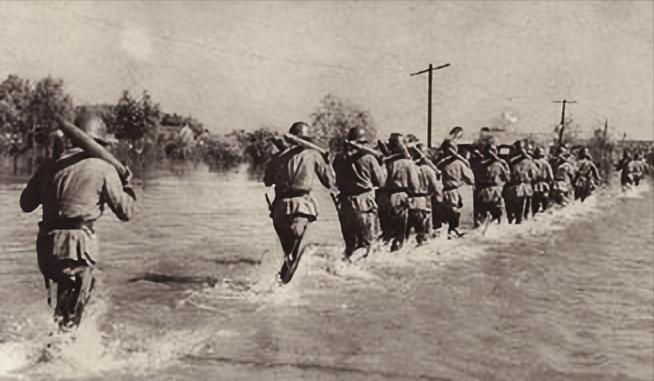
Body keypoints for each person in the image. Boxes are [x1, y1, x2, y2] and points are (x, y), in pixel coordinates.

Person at [20, 111, 135, 331]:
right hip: (77, 251)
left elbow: (26, 204)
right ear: (101, 142)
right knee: (70, 323)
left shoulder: (49, 166)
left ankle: (57, 343)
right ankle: (60, 355)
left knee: (70, 308)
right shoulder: (103, 168)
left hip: (47, 252)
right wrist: (128, 185)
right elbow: (126, 212)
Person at [263, 121, 337, 283]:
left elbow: (267, 181)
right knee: (296, 255)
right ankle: (278, 289)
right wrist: (327, 162)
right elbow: (330, 183)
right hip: (301, 209)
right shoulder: (313, 155)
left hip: (280, 210)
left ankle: (276, 286)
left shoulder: (278, 157)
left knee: (288, 254)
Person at [332, 127, 386, 260]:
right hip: (364, 203)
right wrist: (382, 164)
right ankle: (349, 264)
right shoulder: (368, 158)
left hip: (344, 204)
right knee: (366, 245)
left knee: (350, 245)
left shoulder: (339, 159)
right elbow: (381, 182)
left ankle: (344, 265)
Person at [376, 133, 420, 251]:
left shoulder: (384, 162)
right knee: (400, 235)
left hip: (383, 199)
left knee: (386, 234)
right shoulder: (407, 163)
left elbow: (379, 181)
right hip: (399, 198)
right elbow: (415, 186)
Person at [435, 139, 474, 239]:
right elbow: (470, 179)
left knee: (446, 212)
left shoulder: (441, 163)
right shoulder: (459, 163)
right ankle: (453, 230)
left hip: (442, 191)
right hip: (454, 190)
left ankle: (448, 230)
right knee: (454, 212)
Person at [406, 142, 441, 245]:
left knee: (406, 236)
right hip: (423, 203)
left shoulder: (407, 168)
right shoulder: (427, 170)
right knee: (424, 236)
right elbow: (436, 189)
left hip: (408, 203)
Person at [474, 143, 510, 226]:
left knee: (481, 218)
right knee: (499, 216)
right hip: (496, 193)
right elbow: (507, 178)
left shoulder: (480, 164)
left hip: (482, 194)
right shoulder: (500, 164)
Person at [504, 140, 537, 224]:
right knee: (522, 214)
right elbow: (534, 175)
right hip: (525, 189)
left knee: (510, 214)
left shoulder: (509, 162)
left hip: (511, 189)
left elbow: (506, 176)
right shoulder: (530, 162)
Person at [531, 146, 554, 215]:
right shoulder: (546, 163)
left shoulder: (532, 162)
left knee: (535, 202)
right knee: (545, 202)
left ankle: (534, 215)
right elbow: (551, 176)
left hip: (534, 185)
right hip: (544, 185)